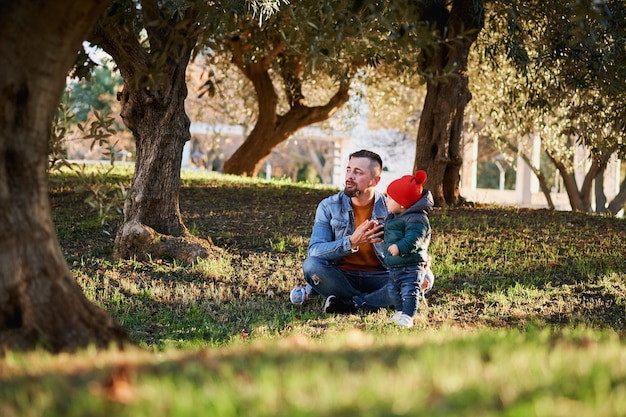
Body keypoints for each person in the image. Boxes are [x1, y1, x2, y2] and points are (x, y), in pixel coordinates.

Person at [294, 149, 398, 312]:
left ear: (375, 181)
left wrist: (420, 258)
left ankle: (350, 303)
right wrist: (350, 243)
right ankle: (372, 302)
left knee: (424, 277)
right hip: (341, 276)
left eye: (358, 172)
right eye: (348, 169)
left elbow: (408, 245)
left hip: (381, 276)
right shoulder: (328, 206)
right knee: (311, 265)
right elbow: (314, 251)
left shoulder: (390, 208)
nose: (349, 176)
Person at [351, 170, 434, 328]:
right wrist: (380, 231)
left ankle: (408, 316)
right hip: (396, 266)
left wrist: (399, 247)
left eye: (390, 198)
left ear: (402, 203)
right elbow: (392, 234)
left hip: (411, 266)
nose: (386, 201)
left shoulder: (417, 219)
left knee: (410, 292)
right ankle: (399, 311)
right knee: (393, 291)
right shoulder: (395, 217)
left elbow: (414, 240)